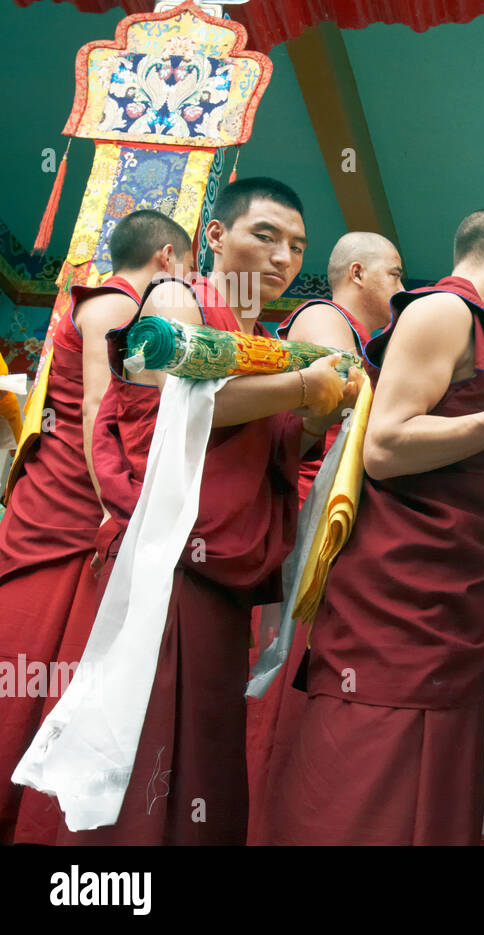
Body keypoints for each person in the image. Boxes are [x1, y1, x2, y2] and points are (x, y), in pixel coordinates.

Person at [59, 177, 357, 845]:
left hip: (222, 579)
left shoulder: (265, 338)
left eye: (296, 246)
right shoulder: (177, 298)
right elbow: (183, 408)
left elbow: (270, 451)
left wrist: (314, 413)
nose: (282, 256)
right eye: (266, 235)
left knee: (204, 762)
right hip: (167, 563)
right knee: (145, 753)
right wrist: (302, 385)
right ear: (215, 236)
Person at [268, 208, 484, 845]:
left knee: (434, 792)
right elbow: (387, 446)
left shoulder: (477, 334)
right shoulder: (444, 313)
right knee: (369, 795)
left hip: (447, 599)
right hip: (398, 605)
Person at [0, 210, 192, 844]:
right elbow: (96, 412)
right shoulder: (114, 304)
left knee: (54, 671)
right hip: (69, 511)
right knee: (27, 662)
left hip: (81, 508)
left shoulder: (118, 303)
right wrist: (115, 504)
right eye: (188, 269)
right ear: (169, 257)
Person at [244, 231, 403, 844]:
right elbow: (344, 404)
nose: (401, 287)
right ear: (357, 273)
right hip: (313, 520)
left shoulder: (367, 341)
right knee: (284, 682)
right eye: (394, 274)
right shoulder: (322, 317)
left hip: (344, 521)